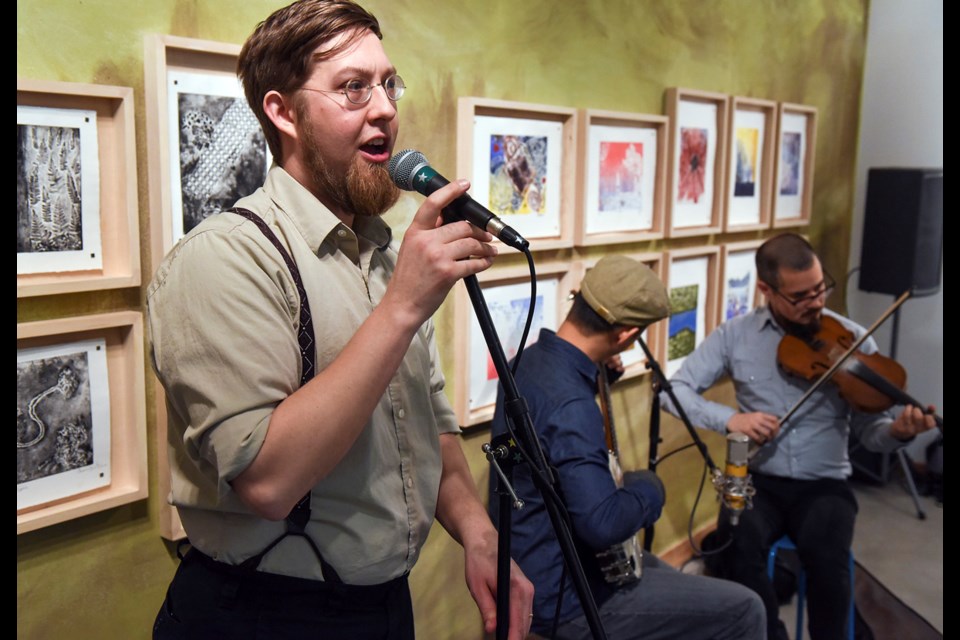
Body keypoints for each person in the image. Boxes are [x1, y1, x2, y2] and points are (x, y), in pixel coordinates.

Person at [147, 1, 534, 637]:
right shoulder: (224, 259)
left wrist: (478, 531)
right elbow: (268, 481)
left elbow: (424, 418)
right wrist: (403, 307)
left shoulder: (382, 250)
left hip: (380, 607)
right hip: (264, 614)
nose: (384, 107)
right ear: (283, 112)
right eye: (353, 87)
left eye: (387, 84)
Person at [661, 233, 936, 640]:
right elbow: (674, 391)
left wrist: (896, 433)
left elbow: (871, 434)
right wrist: (731, 419)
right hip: (758, 482)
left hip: (824, 483)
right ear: (765, 290)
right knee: (735, 550)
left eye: (821, 288)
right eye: (802, 296)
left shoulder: (854, 339)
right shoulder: (735, 335)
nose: (818, 302)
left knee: (828, 562)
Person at [489, 255, 766, 640]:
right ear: (624, 335)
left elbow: (551, 438)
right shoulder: (572, 404)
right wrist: (650, 488)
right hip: (566, 597)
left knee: (658, 570)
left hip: (527, 563)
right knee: (744, 608)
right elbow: (602, 524)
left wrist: (599, 378)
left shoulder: (527, 362)